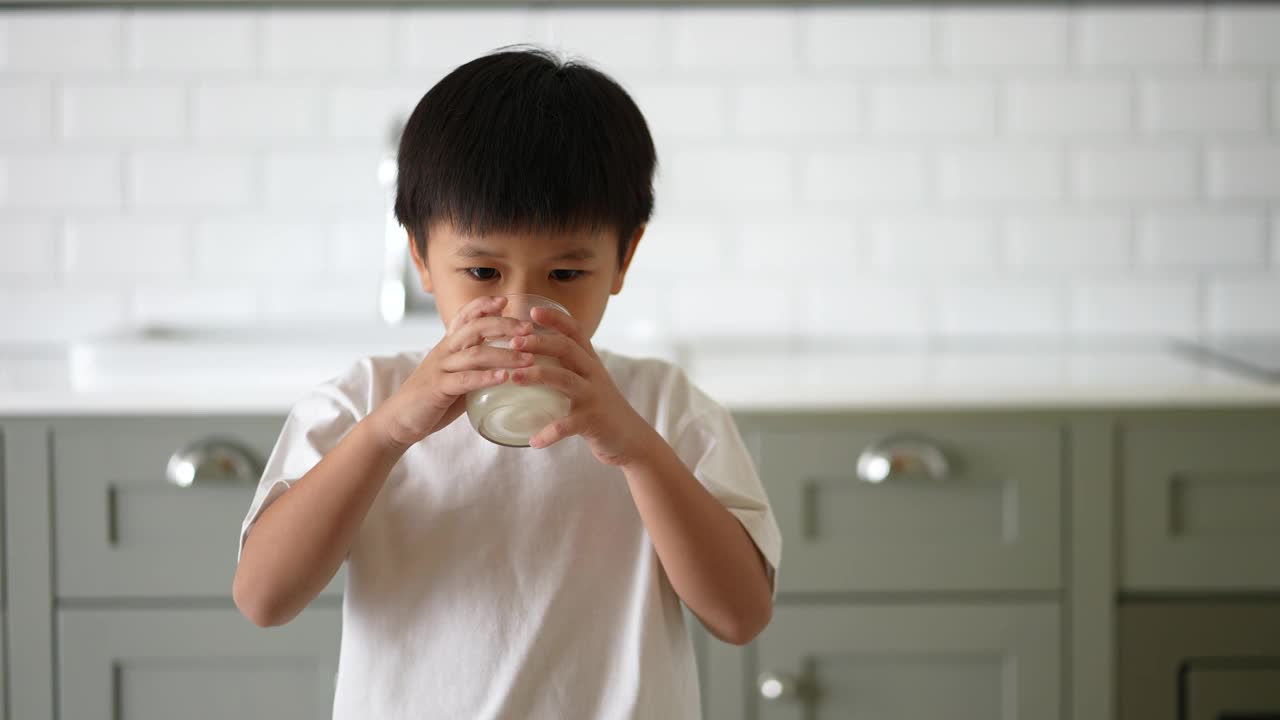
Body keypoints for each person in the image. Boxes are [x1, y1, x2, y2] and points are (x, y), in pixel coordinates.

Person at [232, 46, 781, 719]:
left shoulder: (665, 408)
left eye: (566, 275)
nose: (522, 311)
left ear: (624, 258)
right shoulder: (364, 403)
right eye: (484, 274)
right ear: (421, 260)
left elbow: (741, 616)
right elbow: (263, 598)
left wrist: (637, 448)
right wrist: (388, 432)